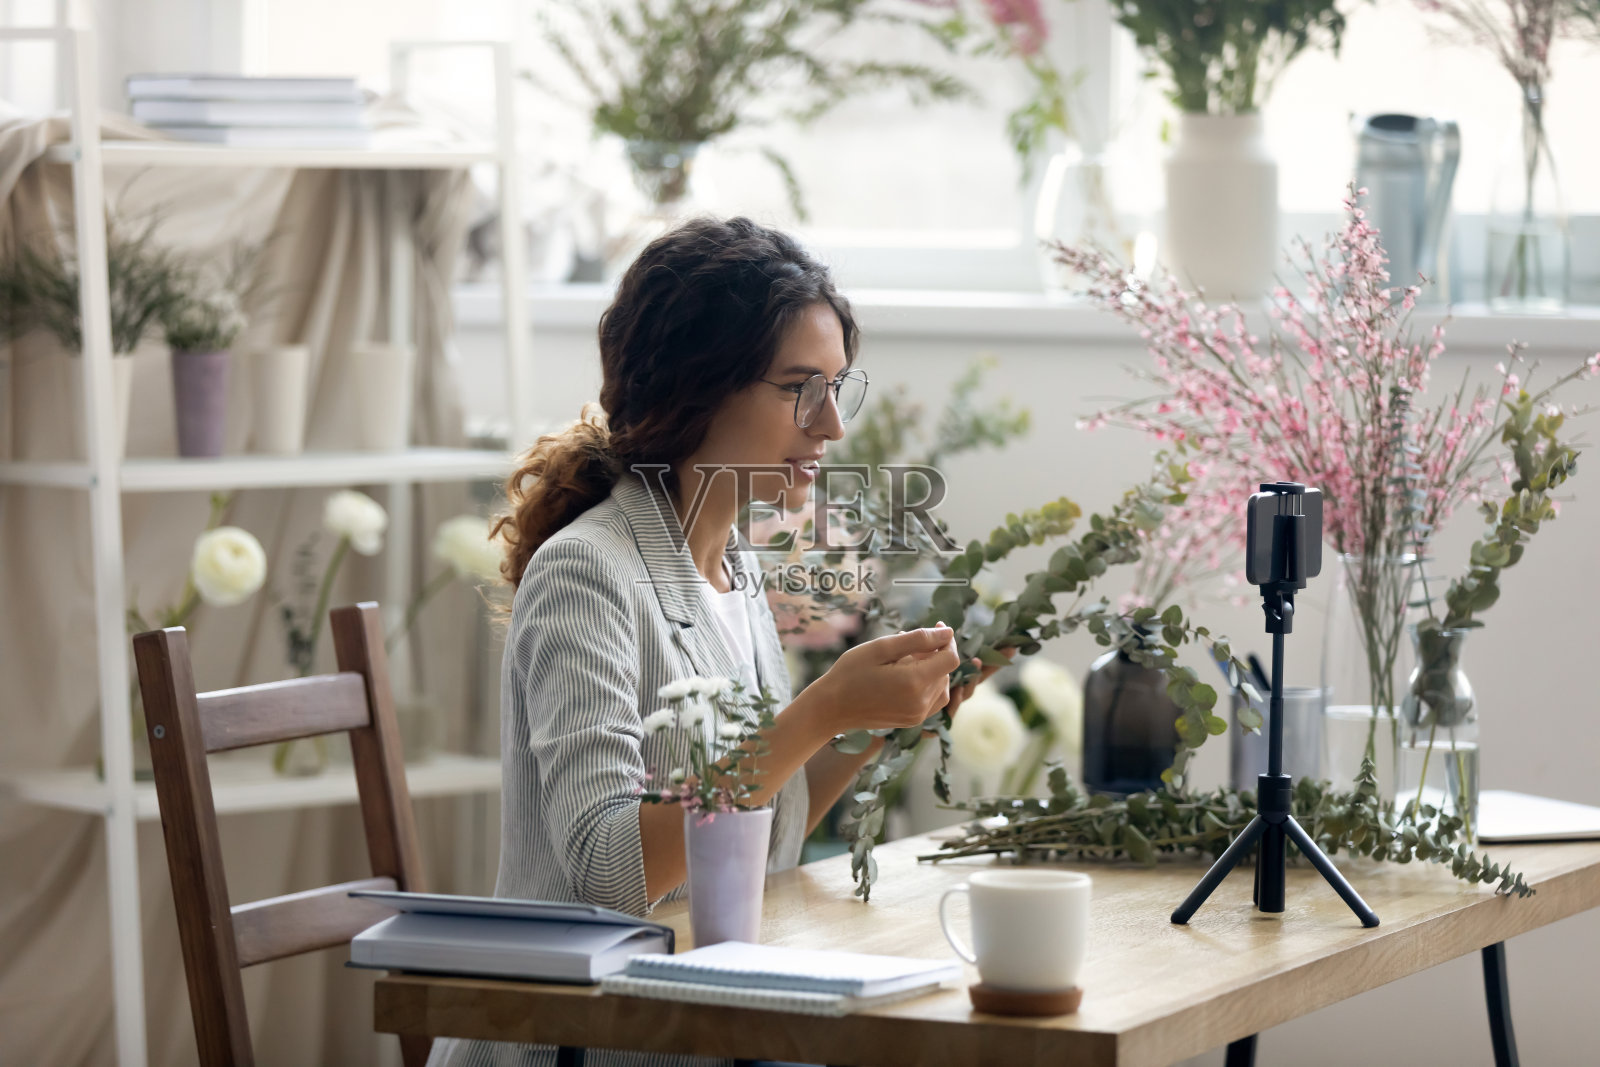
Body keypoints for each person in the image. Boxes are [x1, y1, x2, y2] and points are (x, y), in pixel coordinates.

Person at [430, 217, 1008, 1067]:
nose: (830, 427)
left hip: (695, 1027)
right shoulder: (586, 574)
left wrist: (874, 722)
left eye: (837, 388)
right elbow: (612, 871)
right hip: (577, 1044)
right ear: (696, 387)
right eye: (797, 388)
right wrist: (818, 709)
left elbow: (761, 830)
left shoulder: (729, 563)